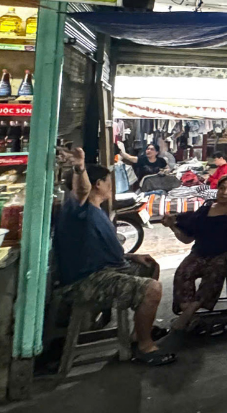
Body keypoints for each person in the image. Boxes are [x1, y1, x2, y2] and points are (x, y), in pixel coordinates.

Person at [55, 147, 174, 365]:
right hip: (86, 280)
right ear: (97, 184)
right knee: (152, 289)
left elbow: (98, 249)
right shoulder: (77, 208)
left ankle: (139, 332)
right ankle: (145, 348)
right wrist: (80, 168)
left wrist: (130, 256)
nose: (112, 185)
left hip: (106, 269)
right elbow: (81, 191)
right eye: (107, 180)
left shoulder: (97, 210)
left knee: (150, 265)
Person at [161, 174, 227, 333]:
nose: (225, 192)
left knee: (214, 274)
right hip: (200, 252)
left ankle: (187, 315)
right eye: (222, 188)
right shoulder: (206, 208)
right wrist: (172, 226)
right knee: (182, 273)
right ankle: (191, 316)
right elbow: (187, 239)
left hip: (224, 255)